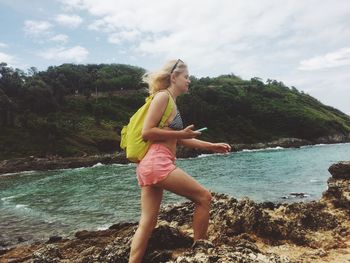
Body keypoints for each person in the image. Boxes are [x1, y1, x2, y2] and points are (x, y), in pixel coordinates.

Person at [128, 59, 231, 263]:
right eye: (186, 77)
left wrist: (211, 146)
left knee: (147, 222)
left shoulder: (170, 101)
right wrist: (181, 133)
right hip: (158, 163)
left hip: (148, 166)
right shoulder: (163, 98)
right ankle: (199, 252)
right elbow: (147, 132)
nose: (189, 81)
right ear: (174, 77)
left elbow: (179, 137)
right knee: (204, 198)